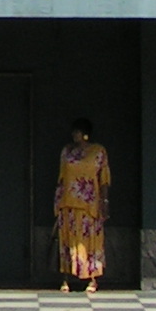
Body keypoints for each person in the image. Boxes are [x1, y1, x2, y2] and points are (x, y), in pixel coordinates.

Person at [53, 117, 111, 296]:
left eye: (77, 131)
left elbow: (104, 178)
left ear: (85, 134)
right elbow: (61, 178)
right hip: (68, 202)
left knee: (91, 240)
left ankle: (93, 278)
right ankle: (66, 278)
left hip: (89, 204)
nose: (74, 135)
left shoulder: (98, 151)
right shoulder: (67, 152)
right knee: (68, 239)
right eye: (73, 132)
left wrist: (105, 201)